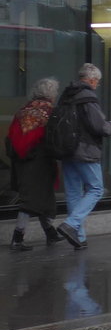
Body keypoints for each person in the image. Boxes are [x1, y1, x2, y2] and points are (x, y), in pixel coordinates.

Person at [56, 63, 111, 249]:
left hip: (67, 150)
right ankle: (71, 224)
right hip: (84, 150)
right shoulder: (88, 97)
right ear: (92, 80)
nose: (97, 85)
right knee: (96, 189)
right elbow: (99, 126)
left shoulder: (66, 96)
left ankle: (79, 237)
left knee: (74, 193)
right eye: (97, 82)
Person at [6, 78, 64, 251]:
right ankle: (17, 237)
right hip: (40, 161)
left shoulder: (23, 111)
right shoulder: (49, 112)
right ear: (52, 94)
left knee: (40, 197)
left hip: (21, 161)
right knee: (32, 200)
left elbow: (12, 135)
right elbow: (53, 138)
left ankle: (50, 233)